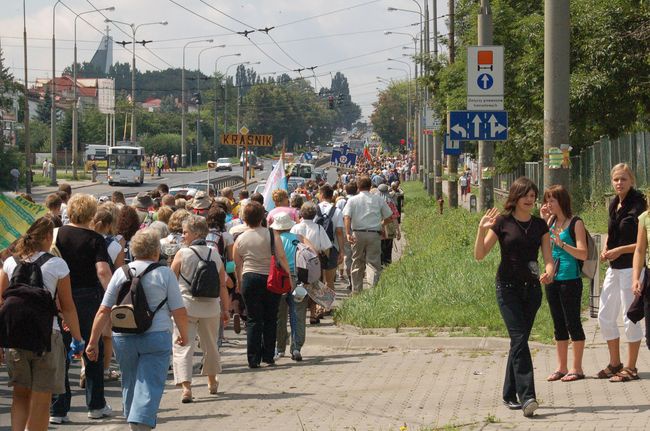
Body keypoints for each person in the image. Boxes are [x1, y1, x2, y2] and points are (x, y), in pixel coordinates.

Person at [85, 229, 189, 431]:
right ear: (156, 251)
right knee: (150, 382)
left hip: (123, 336)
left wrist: (92, 342)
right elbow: (179, 310)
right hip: (157, 335)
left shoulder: (120, 273)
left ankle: (133, 417)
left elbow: (104, 310)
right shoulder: (164, 273)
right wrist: (184, 335)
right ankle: (139, 422)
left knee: (130, 380)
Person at [473, 177, 554, 417]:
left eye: (533, 195)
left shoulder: (541, 225)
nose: (530, 199)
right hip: (507, 288)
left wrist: (549, 271)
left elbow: (548, 258)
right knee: (519, 340)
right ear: (516, 197)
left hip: (532, 290)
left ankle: (509, 393)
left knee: (518, 342)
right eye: (526, 195)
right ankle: (527, 396)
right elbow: (480, 254)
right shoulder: (502, 223)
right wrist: (481, 230)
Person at [0, 217, 83, 430]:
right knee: (42, 398)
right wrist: (77, 337)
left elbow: (1, 300)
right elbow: (67, 306)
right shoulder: (57, 264)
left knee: (20, 395)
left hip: (15, 337)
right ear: (47, 237)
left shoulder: (10, 262)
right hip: (47, 336)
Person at [51, 194, 113, 422]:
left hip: (58, 297)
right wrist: (112, 297)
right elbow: (103, 272)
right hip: (87, 297)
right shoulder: (95, 239)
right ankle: (95, 405)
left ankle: (58, 408)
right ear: (91, 214)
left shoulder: (56, 235)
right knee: (92, 347)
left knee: (61, 353)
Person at [170, 216, 229, 402]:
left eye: (185, 232)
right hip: (211, 307)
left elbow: (171, 281)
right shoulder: (214, 253)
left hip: (185, 306)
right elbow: (222, 284)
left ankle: (186, 387)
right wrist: (226, 309)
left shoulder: (182, 254)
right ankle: (212, 381)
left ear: (195, 233)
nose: (183, 235)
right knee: (210, 345)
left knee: (183, 346)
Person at [597, 163, 647, 382]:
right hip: (614, 268)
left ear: (631, 180)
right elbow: (611, 231)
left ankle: (631, 367)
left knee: (630, 317)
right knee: (605, 315)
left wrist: (619, 250)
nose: (619, 183)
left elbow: (641, 243)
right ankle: (615, 363)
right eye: (616, 179)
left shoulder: (639, 204)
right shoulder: (614, 203)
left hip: (631, 267)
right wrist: (606, 247)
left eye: (623, 179)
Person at [233, 201, 292, 368]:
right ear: (262, 217)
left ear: (244, 219)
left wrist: (239, 282)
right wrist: (290, 276)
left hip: (249, 278)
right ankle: (268, 355)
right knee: (270, 318)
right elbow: (281, 257)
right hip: (270, 278)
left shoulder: (240, 239)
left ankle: (253, 358)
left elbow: (238, 264)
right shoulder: (273, 235)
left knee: (253, 319)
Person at [540, 185, 588, 382]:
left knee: (572, 322)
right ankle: (561, 367)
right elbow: (544, 247)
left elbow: (583, 253)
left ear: (562, 201)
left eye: (552, 200)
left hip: (570, 279)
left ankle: (577, 368)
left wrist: (563, 244)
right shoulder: (550, 222)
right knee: (558, 323)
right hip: (553, 278)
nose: (549, 204)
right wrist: (543, 219)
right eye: (547, 200)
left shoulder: (575, 223)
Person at [342, 176, 393, 293]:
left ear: (358, 187)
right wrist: (380, 224)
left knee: (357, 262)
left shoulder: (352, 200)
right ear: (370, 187)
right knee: (373, 262)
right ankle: (372, 289)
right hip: (374, 233)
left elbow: (347, 217)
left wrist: (348, 233)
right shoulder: (378, 199)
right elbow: (389, 217)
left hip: (357, 233)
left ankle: (356, 291)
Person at [271, 212, 308, 361]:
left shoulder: (275, 240)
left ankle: (280, 348)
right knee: (298, 315)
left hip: (280, 279)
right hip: (298, 278)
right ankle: (297, 347)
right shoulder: (298, 239)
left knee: (279, 316)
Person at [291, 202, 333, 324]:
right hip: (314, 261)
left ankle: (300, 313)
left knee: (299, 285)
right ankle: (313, 315)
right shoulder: (319, 228)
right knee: (314, 286)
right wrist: (325, 262)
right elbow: (326, 247)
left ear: (301, 214)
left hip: (298, 260)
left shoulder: (295, 228)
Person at [316, 184, 345, 292]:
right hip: (331, 247)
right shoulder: (336, 211)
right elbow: (339, 232)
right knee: (329, 281)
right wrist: (341, 251)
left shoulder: (315, 208)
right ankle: (326, 306)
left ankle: (317, 306)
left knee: (317, 280)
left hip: (316, 248)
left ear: (322, 194)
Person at [377, 184, 401, 266]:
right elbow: (394, 218)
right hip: (390, 228)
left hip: (378, 228)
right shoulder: (391, 202)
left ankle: (380, 265)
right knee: (388, 247)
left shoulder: (376, 203)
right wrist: (398, 231)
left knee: (379, 248)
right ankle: (387, 264)